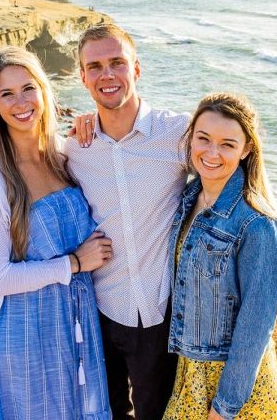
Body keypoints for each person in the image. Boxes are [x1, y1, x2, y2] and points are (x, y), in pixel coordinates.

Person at [0, 46, 113, 420]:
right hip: (22, 337)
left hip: (76, 327)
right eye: (7, 94)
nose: (20, 102)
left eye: (28, 88)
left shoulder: (65, 156)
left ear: (45, 92)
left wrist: (95, 123)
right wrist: (75, 263)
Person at [65, 23, 190, 420]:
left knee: (158, 412)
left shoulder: (178, 133)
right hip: (100, 310)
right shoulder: (74, 147)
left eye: (117, 63)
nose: (107, 75)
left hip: (161, 313)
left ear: (136, 69)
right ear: (82, 77)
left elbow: (230, 151)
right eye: (95, 66)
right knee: (105, 412)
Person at [163, 93, 277, 420]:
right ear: (191, 137)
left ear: (246, 149)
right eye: (203, 139)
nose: (212, 153)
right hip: (189, 374)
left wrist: (224, 407)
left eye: (228, 144)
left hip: (234, 389)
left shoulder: (259, 224)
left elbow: (255, 326)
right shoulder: (189, 197)